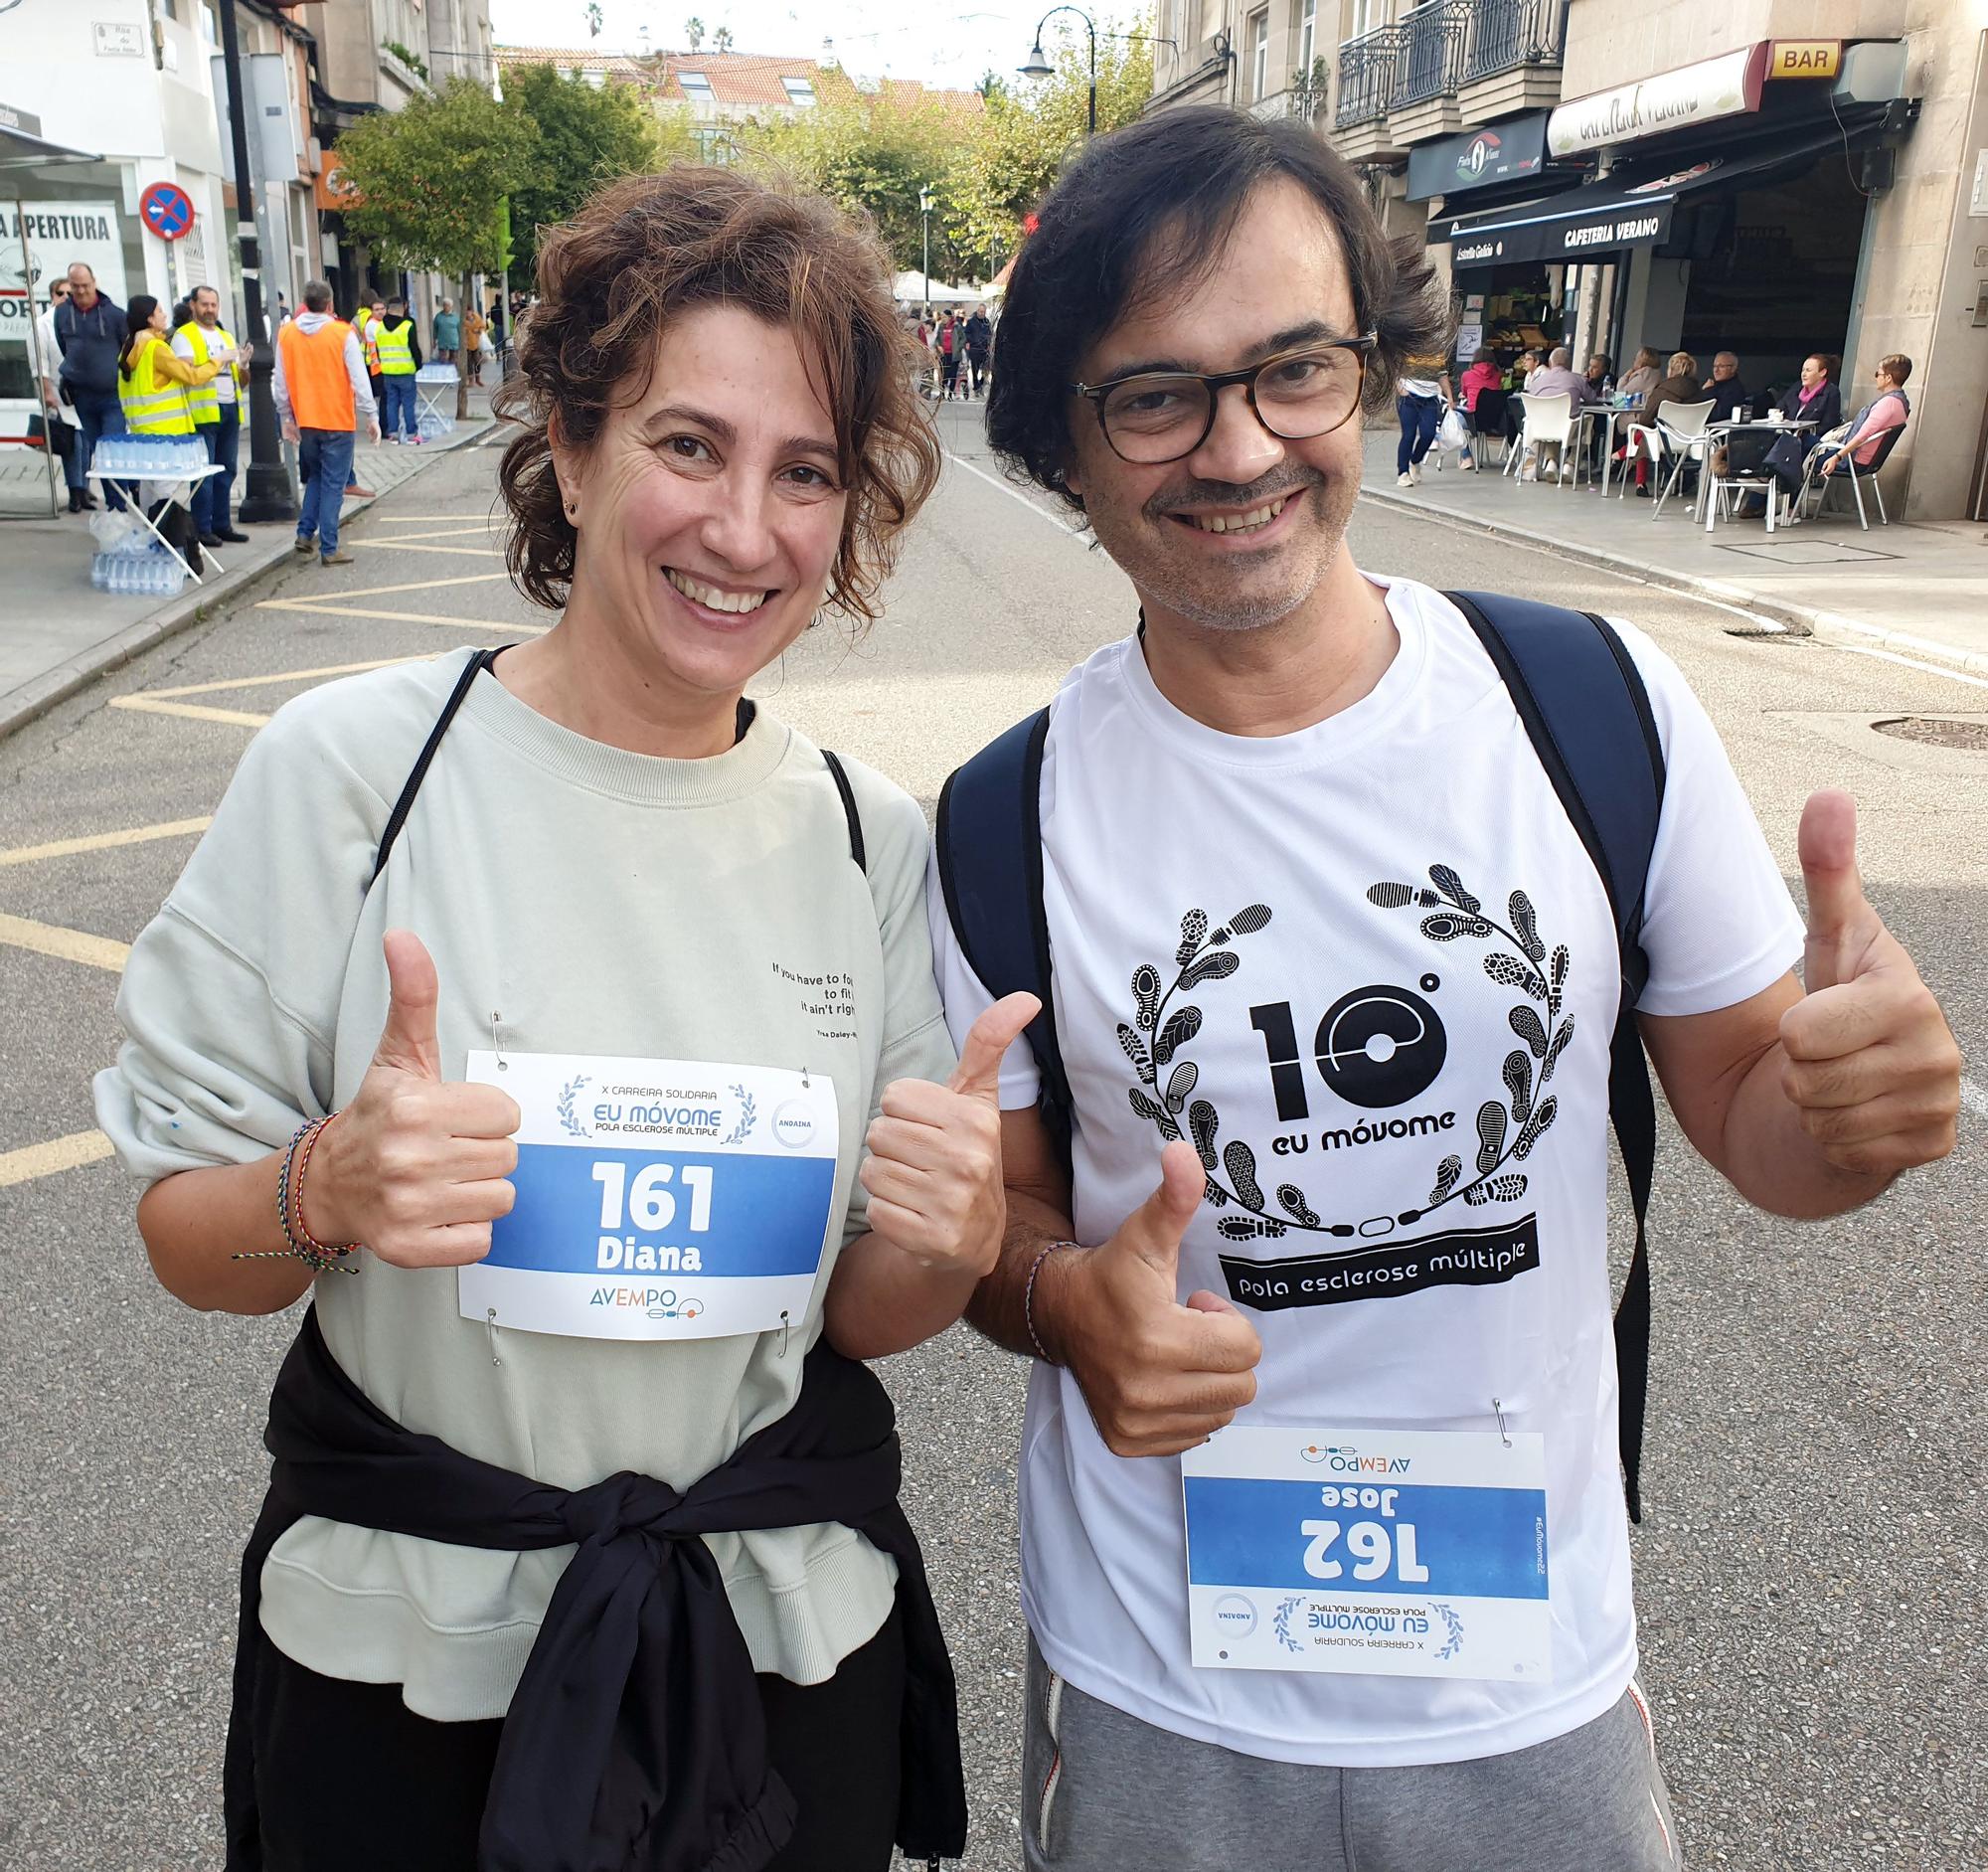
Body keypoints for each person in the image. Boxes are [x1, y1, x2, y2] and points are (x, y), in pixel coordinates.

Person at [942, 103, 1958, 1872]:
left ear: (1380, 374)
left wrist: (1859, 1117)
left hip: (1529, 1674)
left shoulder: (1588, 704)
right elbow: (1007, 1222)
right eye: (1154, 393)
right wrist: (1058, 1306)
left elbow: (1755, 1125)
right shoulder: (1002, 817)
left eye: (1297, 369)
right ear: (1066, 445)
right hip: (1159, 1682)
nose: (1240, 447)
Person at [94, 168, 998, 1872]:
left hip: (773, 1649)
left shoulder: (875, 834)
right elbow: (185, 1242)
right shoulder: (353, 773)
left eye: (805, 472)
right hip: (405, 1661)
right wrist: (321, 1191)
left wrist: (953, 1243)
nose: (746, 529)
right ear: (570, 451)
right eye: (687, 444)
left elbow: (868, 1317)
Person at [272, 278, 380, 567]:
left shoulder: (287, 334)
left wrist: (286, 417)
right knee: (334, 483)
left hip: (306, 420)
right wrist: (372, 415)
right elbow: (359, 378)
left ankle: (305, 534)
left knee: (317, 478)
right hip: (337, 420)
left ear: (305, 303)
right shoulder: (342, 333)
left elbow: (280, 382)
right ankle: (329, 547)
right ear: (330, 304)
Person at [116, 293, 224, 572]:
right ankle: (182, 554)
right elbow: (191, 376)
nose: (164, 315)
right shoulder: (156, 349)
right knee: (173, 501)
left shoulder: (127, 350)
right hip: (169, 440)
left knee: (150, 501)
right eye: (160, 311)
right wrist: (219, 361)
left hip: (141, 439)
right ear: (150, 318)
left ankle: (157, 557)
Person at [173, 283, 253, 548]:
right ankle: (202, 528)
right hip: (203, 412)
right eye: (204, 304)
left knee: (227, 470)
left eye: (213, 305)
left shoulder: (225, 336)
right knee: (204, 474)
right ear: (192, 306)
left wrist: (242, 365)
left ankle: (221, 524)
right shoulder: (184, 336)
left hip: (229, 408)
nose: (210, 310)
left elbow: (241, 382)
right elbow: (187, 374)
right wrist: (218, 360)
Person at [53, 261, 128, 510]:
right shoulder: (62, 313)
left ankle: (121, 504)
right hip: (83, 396)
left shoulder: (115, 314)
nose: (81, 291)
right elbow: (65, 347)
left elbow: (127, 350)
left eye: (85, 285)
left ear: (94, 282)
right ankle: (113, 507)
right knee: (100, 453)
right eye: (75, 287)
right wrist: (70, 374)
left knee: (113, 450)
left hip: (112, 396)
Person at [34, 274, 87, 512]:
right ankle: (75, 491)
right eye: (61, 293)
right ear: (52, 296)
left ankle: (85, 490)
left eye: (70, 293)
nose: (66, 297)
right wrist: (46, 391)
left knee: (85, 441)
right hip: (57, 389)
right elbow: (40, 362)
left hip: (82, 389)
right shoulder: (42, 324)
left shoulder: (81, 319)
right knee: (72, 442)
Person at [1623, 349, 1702, 496]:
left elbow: (1645, 419)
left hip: (1664, 441)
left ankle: (1624, 456)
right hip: (1693, 442)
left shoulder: (1663, 390)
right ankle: (1682, 476)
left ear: (1671, 369)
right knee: (1645, 435)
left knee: (1643, 433)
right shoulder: (1699, 392)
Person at [1513, 344, 1593, 481]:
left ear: (1550, 363)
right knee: (1587, 427)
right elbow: (1592, 399)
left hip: (1540, 428)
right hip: (1568, 427)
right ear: (1568, 364)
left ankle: (1551, 462)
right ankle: (1570, 464)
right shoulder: (1577, 379)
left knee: (1552, 423)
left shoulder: (1537, 381)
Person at [1394, 351, 1451, 486]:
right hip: (1409, 396)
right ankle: (1403, 473)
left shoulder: (1438, 351)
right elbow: (1395, 369)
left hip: (1430, 398)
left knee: (1429, 434)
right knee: (1408, 435)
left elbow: (1442, 376)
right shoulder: (1409, 346)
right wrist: (1401, 390)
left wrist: (1449, 396)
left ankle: (1415, 460)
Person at [374, 295, 424, 442]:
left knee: (391, 403)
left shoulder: (380, 327)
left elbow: (378, 349)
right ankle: (411, 435)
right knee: (408, 403)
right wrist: (418, 365)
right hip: (406, 371)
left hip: (388, 371)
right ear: (402, 309)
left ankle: (393, 434)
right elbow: (414, 349)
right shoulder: (407, 326)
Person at [1455, 346, 1501, 471]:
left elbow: (1464, 393)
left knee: (1455, 418)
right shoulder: (1497, 375)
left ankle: (1466, 456)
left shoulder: (1467, 375)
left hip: (1473, 419)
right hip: (1493, 421)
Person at [1701, 350, 1749, 423]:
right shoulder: (1715, 385)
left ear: (1733, 368)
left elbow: (1716, 415)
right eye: (1714, 366)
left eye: (1721, 366)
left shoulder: (1734, 390)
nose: (1716, 370)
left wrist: (1707, 391)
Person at [964, 304, 993, 398]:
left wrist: (989, 344)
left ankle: (981, 383)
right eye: (980, 311)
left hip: (984, 349)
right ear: (977, 311)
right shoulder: (971, 322)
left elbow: (990, 334)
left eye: (983, 312)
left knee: (986, 369)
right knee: (975, 370)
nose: (982, 313)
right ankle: (976, 387)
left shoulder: (987, 322)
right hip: (974, 348)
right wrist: (969, 341)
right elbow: (966, 333)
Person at [938, 309, 962, 400]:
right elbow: (937, 339)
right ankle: (942, 393)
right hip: (944, 354)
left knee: (952, 375)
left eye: (944, 317)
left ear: (949, 317)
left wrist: (958, 347)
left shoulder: (956, 326)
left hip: (954, 355)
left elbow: (963, 339)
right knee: (944, 374)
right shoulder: (941, 326)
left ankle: (951, 394)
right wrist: (938, 346)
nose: (943, 318)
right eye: (942, 317)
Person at [461, 301, 487, 386]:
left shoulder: (477, 319)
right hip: (467, 344)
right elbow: (461, 332)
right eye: (466, 312)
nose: (467, 313)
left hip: (476, 343)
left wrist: (478, 330)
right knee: (469, 363)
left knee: (477, 361)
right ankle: (471, 380)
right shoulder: (463, 321)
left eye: (468, 311)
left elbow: (483, 326)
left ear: (471, 312)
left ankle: (478, 379)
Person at [433, 296, 461, 367]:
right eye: (444, 305)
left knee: (454, 363)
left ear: (451, 306)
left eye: (447, 305)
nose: (445, 307)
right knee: (442, 363)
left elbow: (459, 330)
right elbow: (435, 329)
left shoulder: (455, 317)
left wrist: (461, 342)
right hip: (442, 344)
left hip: (454, 344)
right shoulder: (438, 316)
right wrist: (434, 340)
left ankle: (454, 376)